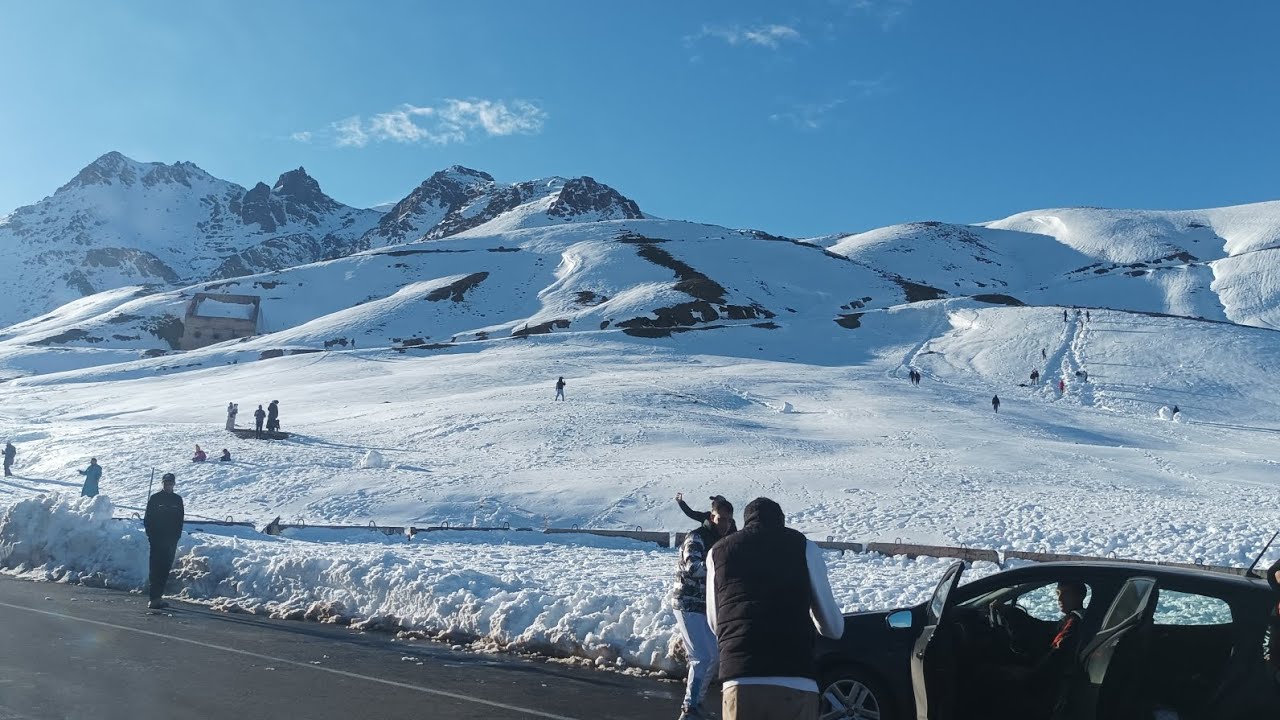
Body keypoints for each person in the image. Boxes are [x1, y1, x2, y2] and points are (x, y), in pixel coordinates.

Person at [706, 497, 844, 720]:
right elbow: (834, 629)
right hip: (796, 677)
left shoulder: (718, 552)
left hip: (740, 679)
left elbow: (715, 623)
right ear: (782, 522)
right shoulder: (804, 547)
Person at [671, 497, 735, 720]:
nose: (724, 524)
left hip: (706, 606)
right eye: (721, 519)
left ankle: (696, 703)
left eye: (728, 520)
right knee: (702, 657)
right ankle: (690, 708)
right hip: (687, 603)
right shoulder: (696, 537)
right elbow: (692, 567)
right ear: (711, 516)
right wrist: (721, 569)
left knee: (714, 656)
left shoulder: (724, 541)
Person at [143, 472, 184, 609]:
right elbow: (148, 519)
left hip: (171, 541)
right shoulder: (155, 498)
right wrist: (151, 536)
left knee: (165, 569)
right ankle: (153, 598)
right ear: (163, 483)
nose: (168, 485)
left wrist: (176, 537)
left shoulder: (177, 500)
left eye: (170, 483)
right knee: (155, 568)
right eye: (166, 483)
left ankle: (159, 597)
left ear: (174, 484)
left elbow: (180, 520)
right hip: (157, 540)